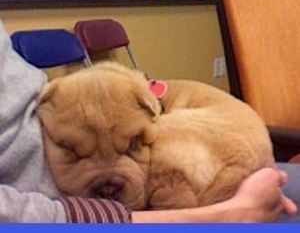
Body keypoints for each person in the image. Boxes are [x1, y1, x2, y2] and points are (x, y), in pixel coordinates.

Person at [0, 19, 299, 223]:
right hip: (106, 214)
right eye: (73, 152)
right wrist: (234, 212)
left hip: (214, 169)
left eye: (130, 146)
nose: (107, 178)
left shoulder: (147, 101)